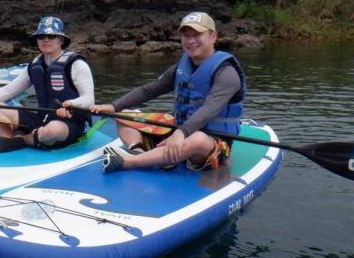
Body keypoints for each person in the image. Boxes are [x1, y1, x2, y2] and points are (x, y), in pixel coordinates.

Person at [93, 11, 245, 173]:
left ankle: (128, 161)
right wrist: (113, 106)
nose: (191, 41)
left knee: (198, 139)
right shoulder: (182, 67)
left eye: (197, 35)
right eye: (186, 36)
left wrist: (181, 133)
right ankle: (140, 152)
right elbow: (149, 90)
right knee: (123, 114)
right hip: (178, 132)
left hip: (211, 142)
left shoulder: (227, 73)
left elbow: (209, 110)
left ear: (213, 36)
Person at [0, 15, 94, 152]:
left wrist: (71, 104)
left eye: (51, 36)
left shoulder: (77, 64)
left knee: (53, 130)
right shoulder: (34, 66)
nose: (45, 40)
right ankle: (10, 139)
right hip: (41, 118)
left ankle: (22, 139)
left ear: (61, 40)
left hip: (70, 122)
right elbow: (9, 90)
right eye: (41, 36)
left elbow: (89, 99)